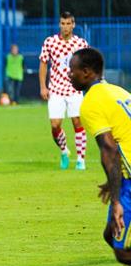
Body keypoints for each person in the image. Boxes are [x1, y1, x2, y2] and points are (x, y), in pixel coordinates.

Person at [68, 48, 131, 266]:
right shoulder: (117, 91)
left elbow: (109, 150)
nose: (68, 74)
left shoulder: (92, 102)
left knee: (120, 248)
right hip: (126, 175)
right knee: (110, 234)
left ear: (86, 72)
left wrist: (116, 200)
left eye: (72, 69)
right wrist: (113, 181)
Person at [39, 11, 90, 170]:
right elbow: (43, 64)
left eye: (69, 23)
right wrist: (43, 86)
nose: (66, 26)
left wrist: (87, 83)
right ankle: (64, 150)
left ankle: (81, 159)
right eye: (63, 23)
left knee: (77, 122)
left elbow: (87, 66)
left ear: (73, 25)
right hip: (56, 90)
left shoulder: (81, 43)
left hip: (75, 89)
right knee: (55, 125)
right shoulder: (50, 42)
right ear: (59, 24)